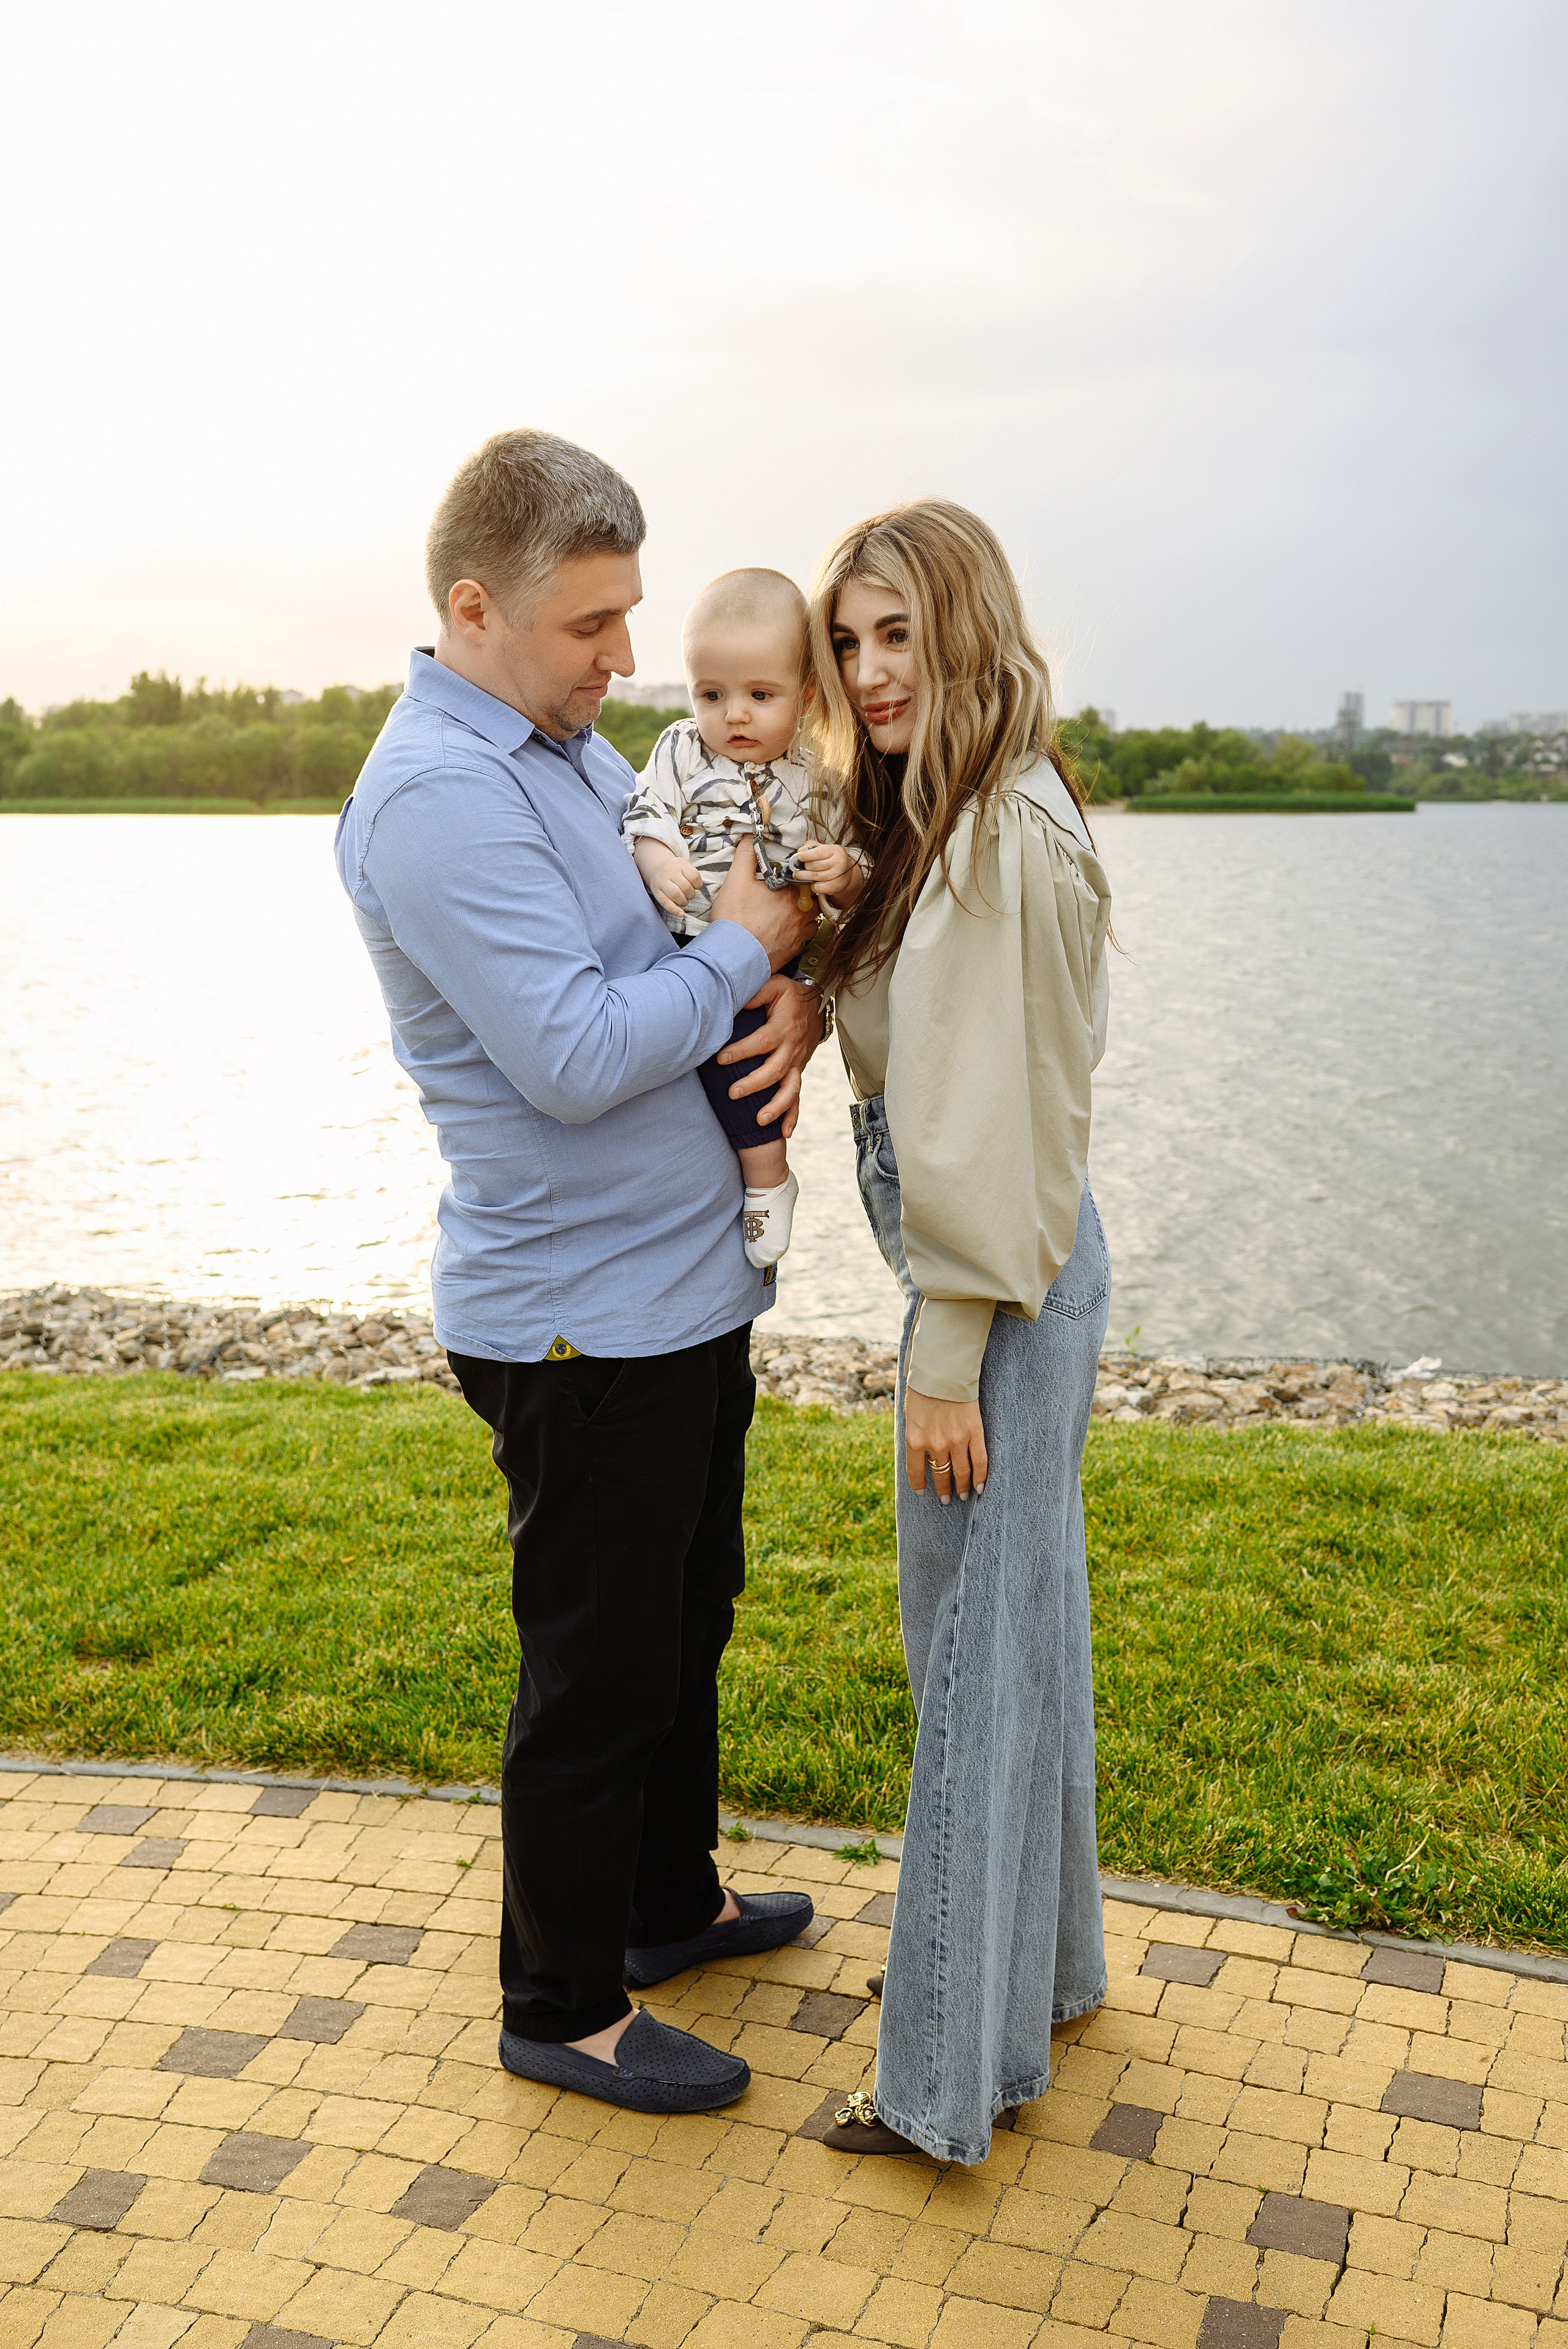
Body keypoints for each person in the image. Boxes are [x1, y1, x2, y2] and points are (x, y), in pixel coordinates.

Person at [334, 429, 826, 2116]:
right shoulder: (438, 796)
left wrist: (775, 970)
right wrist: (750, 945)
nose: (626, 656)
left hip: (675, 1292)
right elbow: (571, 1052)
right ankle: (560, 2002)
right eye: (590, 624)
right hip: (577, 1321)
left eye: (628, 616)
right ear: (475, 607)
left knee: (687, 1614)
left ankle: (665, 1900)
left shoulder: (562, 745)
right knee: (596, 1672)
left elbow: (668, 934)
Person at [805, 499, 1114, 2165]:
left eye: (898, 635)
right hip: (1016, 1279)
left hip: (989, 1295)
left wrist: (941, 1363)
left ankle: (940, 2078)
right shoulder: (974, 807)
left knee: (972, 1671)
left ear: (967, 629)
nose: (869, 670)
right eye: (848, 641)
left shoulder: (994, 834)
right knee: (1019, 1634)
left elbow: (986, 1126)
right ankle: (1039, 1978)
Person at [621, 567, 864, 1266]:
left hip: (776, 956)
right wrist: (656, 862)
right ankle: (727, 1184)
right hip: (686, 938)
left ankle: (768, 1179)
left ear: (806, 694)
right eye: (712, 695)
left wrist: (844, 874)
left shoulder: (819, 778)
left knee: (747, 1062)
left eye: (760, 695)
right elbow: (645, 812)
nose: (734, 715)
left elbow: (856, 866)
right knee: (681, 1048)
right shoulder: (679, 749)